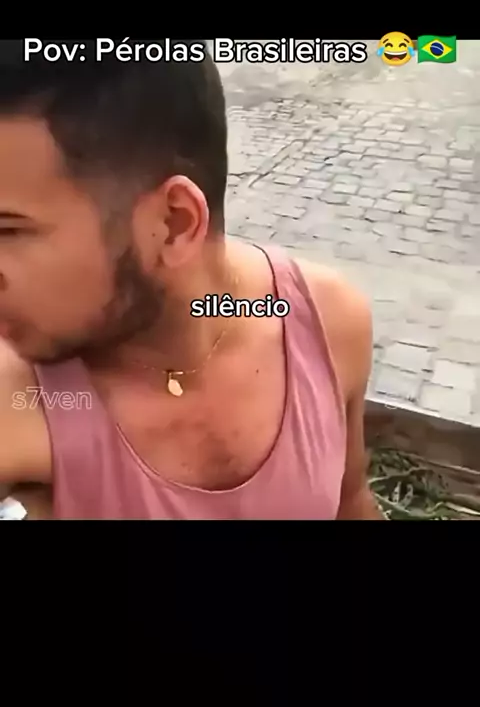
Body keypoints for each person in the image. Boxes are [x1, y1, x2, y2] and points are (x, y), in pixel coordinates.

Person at [0, 41, 382, 519]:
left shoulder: (326, 325)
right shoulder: (16, 401)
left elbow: (350, 503)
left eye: (7, 230)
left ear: (174, 224)